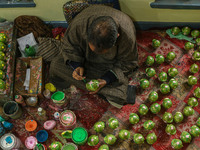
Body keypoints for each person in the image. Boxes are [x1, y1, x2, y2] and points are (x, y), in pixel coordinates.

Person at [49, 5, 138, 108]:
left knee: (119, 95)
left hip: (109, 66)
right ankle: (105, 90)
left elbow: (128, 63)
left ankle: (109, 88)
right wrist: (76, 65)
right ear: (87, 33)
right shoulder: (79, 25)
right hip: (84, 60)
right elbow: (70, 47)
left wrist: (106, 79)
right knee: (55, 66)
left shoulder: (127, 35)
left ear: (117, 37)